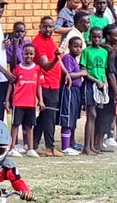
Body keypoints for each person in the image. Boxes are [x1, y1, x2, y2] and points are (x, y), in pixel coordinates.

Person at [32, 16, 64, 155]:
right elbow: (45, 65)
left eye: (51, 26)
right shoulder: (38, 42)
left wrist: (66, 73)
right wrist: (56, 58)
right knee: (49, 115)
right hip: (45, 83)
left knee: (45, 116)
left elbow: (56, 60)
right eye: (45, 26)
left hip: (55, 82)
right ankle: (50, 147)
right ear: (40, 27)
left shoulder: (50, 40)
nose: (48, 29)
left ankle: (33, 144)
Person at [5, 41, 43, 157]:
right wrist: (7, 100)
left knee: (29, 125)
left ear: (34, 55)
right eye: (26, 54)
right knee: (15, 125)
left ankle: (30, 149)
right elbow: (11, 84)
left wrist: (40, 100)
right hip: (18, 102)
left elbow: (39, 86)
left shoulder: (37, 69)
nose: (29, 56)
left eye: (31, 54)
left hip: (31, 102)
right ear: (22, 54)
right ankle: (12, 148)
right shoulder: (17, 69)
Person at [80, 26, 109, 156]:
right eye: (94, 37)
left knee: (96, 115)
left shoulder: (104, 52)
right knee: (91, 114)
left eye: (99, 37)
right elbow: (83, 70)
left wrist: (104, 83)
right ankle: (86, 146)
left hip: (101, 86)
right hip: (90, 84)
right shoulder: (86, 51)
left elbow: (103, 70)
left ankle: (92, 145)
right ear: (90, 37)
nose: (97, 39)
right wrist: (96, 81)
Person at [58, 36, 84, 154]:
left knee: (73, 117)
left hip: (76, 91)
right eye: (75, 46)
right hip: (69, 90)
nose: (78, 49)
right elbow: (68, 75)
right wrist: (82, 73)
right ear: (69, 47)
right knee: (67, 117)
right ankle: (65, 146)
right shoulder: (68, 58)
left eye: (80, 47)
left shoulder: (75, 59)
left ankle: (71, 143)